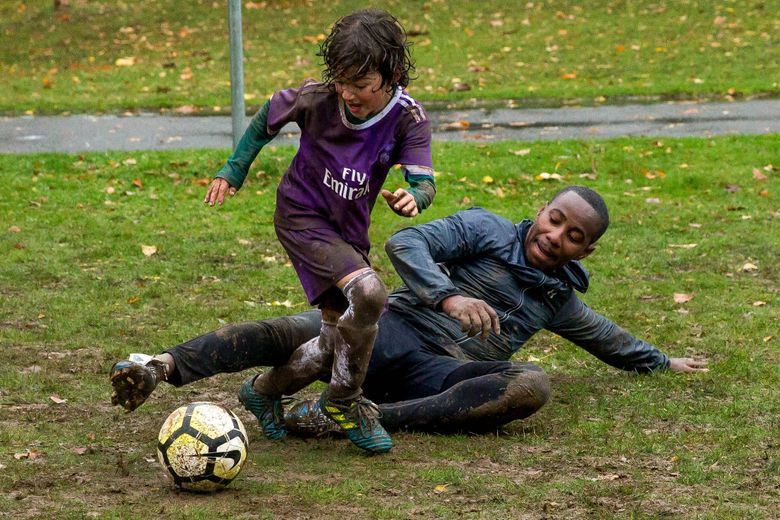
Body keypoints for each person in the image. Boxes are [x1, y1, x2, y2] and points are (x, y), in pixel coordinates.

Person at [111, 186, 707, 436]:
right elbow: (406, 243)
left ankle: (354, 416)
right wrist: (447, 294)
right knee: (289, 330)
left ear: (586, 249)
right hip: (388, 329)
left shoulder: (557, 300)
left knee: (531, 384)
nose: (557, 237)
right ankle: (159, 366)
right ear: (542, 210)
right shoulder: (484, 227)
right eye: (556, 219)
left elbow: (606, 336)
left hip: (439, 373)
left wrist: (659, 362)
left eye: (574, 236)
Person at [200, 9, 436, 453]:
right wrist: (233, 169)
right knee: (369, 294)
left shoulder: (408, 118)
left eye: (361, 85)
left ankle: (264, 391)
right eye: (341, 81)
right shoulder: (318, 97)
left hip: (347, 231)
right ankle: (345, 401)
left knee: (333, 342)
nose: (348, 93)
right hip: (301, 214)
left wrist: (414, 197)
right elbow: (268, 114)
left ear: (394, 76)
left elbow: (423, 182)